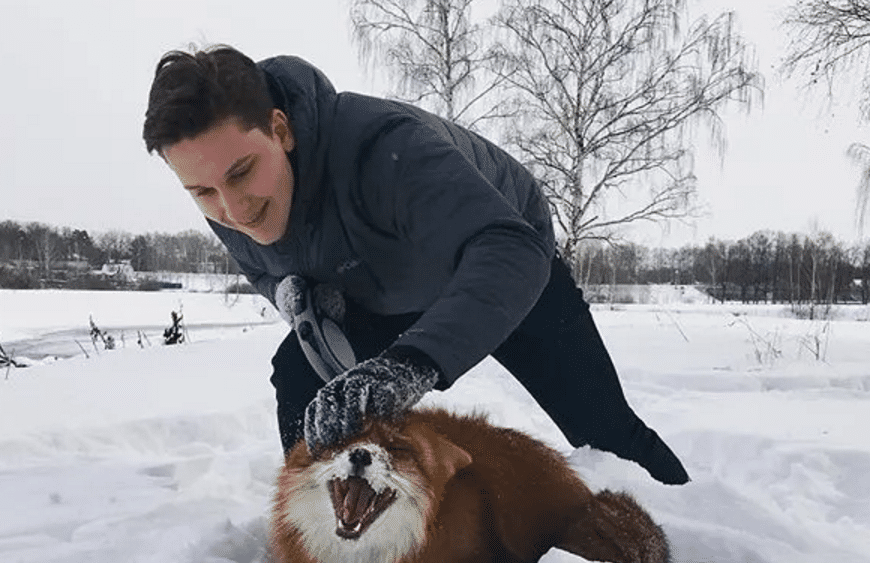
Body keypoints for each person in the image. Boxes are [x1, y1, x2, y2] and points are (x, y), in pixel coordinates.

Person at [142, 45, 690, 485]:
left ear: (281, 130)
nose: (231, 210)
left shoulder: (384, 148)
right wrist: (294, 296)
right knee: (300, 375)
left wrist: (412, 362)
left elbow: (510, 247)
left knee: (603, 430)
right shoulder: (226, 199)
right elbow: (266, 269)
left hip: (503, 272)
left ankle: (687, 529)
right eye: (202, 191)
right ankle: (323, 524)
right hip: (380, 287)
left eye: (241, 173)